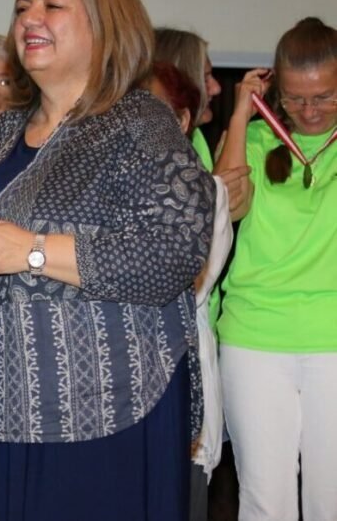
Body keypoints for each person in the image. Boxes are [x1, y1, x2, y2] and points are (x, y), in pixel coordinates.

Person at [0, 0, 214, 520]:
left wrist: (29, 251)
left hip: (101, 411)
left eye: (52, 5)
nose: (29, 19)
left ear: (104, 21)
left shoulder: (139, 122)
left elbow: (172, 249)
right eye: (22, 7)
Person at [214, 17, 337, 520]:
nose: (309, 111)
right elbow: (226, 207)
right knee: (265, 501)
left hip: (332, 341)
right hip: (255, 340)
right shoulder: (257, 140)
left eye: (325, 97)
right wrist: (241, 113)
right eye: (295, 98)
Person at [148, 61, 241, 520]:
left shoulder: (206, 193)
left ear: (182, 119)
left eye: (150, 110)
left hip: (176, 386)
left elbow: (182, 286)